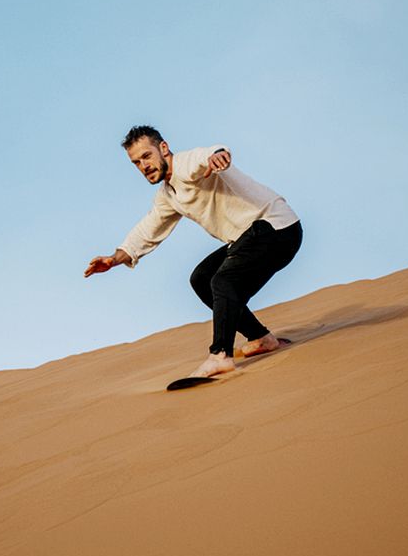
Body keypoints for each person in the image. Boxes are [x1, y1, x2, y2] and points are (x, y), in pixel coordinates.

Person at [84, 125, 303, 379]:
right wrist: (114, 259)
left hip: (276, 227)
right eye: (136, 162)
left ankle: (220, 356)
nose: (144, 166)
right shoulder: (168, 194)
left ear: (163, 148)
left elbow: (206, 154)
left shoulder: (186, 164)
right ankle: (261, 338)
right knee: (202, 279)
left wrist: (217, 155)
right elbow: (148, 229)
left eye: (147, 156)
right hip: (249, 237)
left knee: (223, 281)